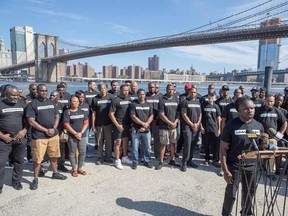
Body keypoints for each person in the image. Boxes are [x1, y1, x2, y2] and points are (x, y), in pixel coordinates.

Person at [220, 97, 264, 216]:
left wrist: (264, 143)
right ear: (238, 110)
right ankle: (226, 214)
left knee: (249, 193)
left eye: (252, 108)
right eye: (246, 109)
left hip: (252, 167)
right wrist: (225, 170)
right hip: (234, 166)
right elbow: (223, 149)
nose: (250, 111)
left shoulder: (259, 125)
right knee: (231, 194)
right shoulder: (230, 126)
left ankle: (246, 213)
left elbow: (260, 147)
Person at [26, 84, 67, 190]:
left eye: (46, 91)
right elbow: (31, 121)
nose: (44, 92)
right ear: (37, 91)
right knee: (37, 159)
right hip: (39, 136)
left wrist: (54, 128)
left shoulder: (51, 102)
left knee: (54, 156)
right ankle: (35, 179)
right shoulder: (32, 104)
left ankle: (55, 173)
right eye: (42, 91)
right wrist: (45, 130)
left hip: (53, 135)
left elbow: (57, 116)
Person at [0, 86, 28, 194]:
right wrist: (2, 136)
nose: (16, 97)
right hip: (4, 140)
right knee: (1, 163)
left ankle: (16, 181)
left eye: (17, 94)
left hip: (19, 139)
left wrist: (24, 131)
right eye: (13, 95)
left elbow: (28, 120)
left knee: (19, 161)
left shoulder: (22, 103)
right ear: (6, 94)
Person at [155, 84, 180, 170]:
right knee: (163, 144)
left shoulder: (177, 100)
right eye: (169, 89)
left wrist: (175, 123)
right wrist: (170, 123)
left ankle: (172, 160)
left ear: (174, 90)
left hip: (174, 127)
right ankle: (161, 161)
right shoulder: (162, 100)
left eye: (172, 89)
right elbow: (161, 114)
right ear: (166, 90)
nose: (170, 91)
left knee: (173, 144)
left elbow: (178, 114)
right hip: (164, 127)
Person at [63, 95, 89, 177]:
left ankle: (80, 168)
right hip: (72, 136)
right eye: (74, 101)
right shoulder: (67, 112)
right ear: (70, 102)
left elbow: (86, 122)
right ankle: (74, 168)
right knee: (72, 152)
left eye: (77, 101)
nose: (76, 103)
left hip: (82, 135)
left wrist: (81, 133)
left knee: (82, 152)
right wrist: (75, 133)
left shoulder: (82, 111)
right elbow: (66, 124)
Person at [109, 84, 133, 170]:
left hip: (127, 124)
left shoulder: (130, 99)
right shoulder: (115, 100)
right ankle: (117, 160)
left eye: (127, 90)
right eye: (124, 90)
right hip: (118, 124)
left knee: (125, 141)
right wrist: (117, 125)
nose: (126, 92)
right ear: (120, 90)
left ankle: (125, 157)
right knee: (118, 143)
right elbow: (111, 114)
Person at [130, 89, 154, 170]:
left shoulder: (149, 104)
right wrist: (142, 124)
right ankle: (135, 162)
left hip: (146, 129)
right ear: (137, 95)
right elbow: (133, 116)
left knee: (147, 146)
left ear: (145, 95)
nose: (141, 96)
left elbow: (151, 116)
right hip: (136, 129)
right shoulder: (133, 104)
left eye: (143, 94)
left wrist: (146, 124)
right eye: (140, 94)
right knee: (135, 147)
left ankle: (146, 160)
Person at [179, 86, 202, 172]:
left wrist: (197, 124)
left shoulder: (198, 102)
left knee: (193, 143)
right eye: (191, 92)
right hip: (187, 126)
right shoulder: (185, 102)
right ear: (189, 92)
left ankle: (190, 161)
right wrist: (192, 124)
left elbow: (200, 114)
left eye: (194, 92)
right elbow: (184, 114)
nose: (193, 94)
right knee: (188, 143)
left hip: (196, 126)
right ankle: (184, 162)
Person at [91, 82, 113, 165]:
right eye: (100, 89)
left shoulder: (111, 98)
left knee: (109, 141)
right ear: (98, 89)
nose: (102, 90)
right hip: (98, 124)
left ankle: (108, 157)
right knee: (99, 141)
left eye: (104, 88)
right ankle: (99, 158)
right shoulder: (95, 99)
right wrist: (93, 126)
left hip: (108, 124)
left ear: (106, 89)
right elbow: (93, 113)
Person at [201, 92, 221, 167]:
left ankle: (215, 159)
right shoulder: (204, 105)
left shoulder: (216, 106)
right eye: (209, 97)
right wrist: (201, 127)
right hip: (206, 128)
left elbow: (219, 118)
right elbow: (200, 117)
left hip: (214, 128)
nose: (211, 99)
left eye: (212, 97)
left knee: (215, 145)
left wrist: (219, 129)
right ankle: (206, 158)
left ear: (215, 98)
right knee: (206, 145)